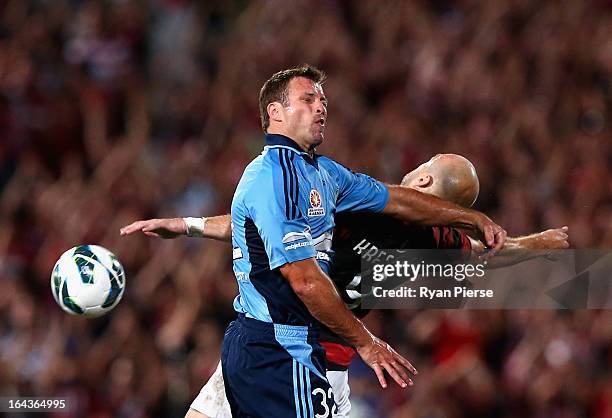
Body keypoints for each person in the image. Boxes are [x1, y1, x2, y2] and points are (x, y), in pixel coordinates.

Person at [123, 65, 507, 417]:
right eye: (309, 99)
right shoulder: (277, 179)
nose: (321, 106)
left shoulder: (324, 173)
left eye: (323, 99)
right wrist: (368, 344)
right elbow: (305, 280)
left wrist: (471, 219)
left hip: (258, 337)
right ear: (276, 113)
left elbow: (396, 198)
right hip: (287, 351)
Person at [122, 153, 569, 418]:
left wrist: (188, 225)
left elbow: (258, 223)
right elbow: (492, 254)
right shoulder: (439, 240)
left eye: (423, 164)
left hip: (300, 357)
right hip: (282, 352)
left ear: (426, 180)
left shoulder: (359, 205)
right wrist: (537, 243)